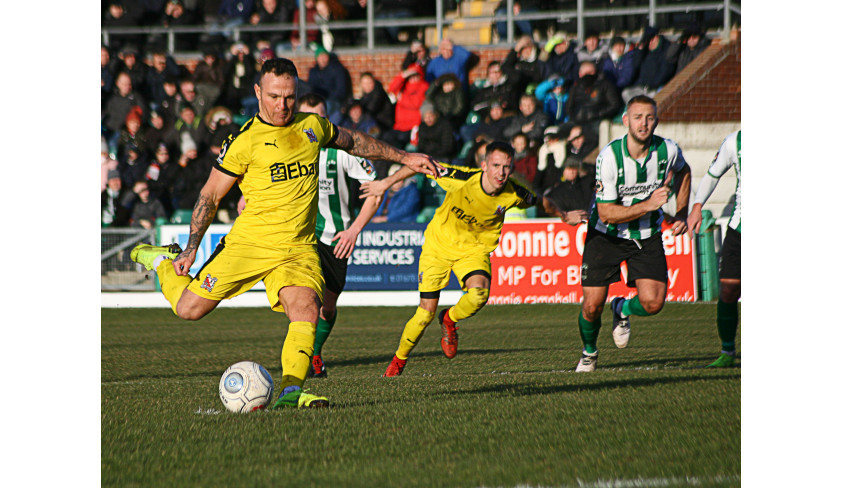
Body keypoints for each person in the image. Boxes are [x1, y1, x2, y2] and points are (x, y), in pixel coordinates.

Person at [129, 58, 441, 409]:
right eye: (275, 96)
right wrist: (189, 248)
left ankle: (292, 392)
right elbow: (210, 195)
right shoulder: (243, 141)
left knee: (306, 308)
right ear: (258, 92)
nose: (283, 105)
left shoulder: (312, 127)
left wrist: (405, 157)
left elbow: (353, 141)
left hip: (298, 248)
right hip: (250, 244)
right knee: (188, 309)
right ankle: (162, 262)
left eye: (290, 97)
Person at [235, 93, 384, 378]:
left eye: (321, 117)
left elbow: (375, 190)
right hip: (296, 237)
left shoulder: (341, 152)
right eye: (308, 117)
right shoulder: (281, 148)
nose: (314, 123)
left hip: (334, 239)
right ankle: (305, 358)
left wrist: (353, 231)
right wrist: (246, 198)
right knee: (305, 304)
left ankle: (314, 352)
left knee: (327, 308)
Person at [363, 141, 536, 376]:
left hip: (473, 250)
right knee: (424, 314)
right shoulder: (461, 178)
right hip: (439, 247)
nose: (501, 172)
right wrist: (384, 184)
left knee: (479, 295)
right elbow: (421, 164)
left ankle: (449, 318)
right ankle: (399, 360)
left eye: (506, 166)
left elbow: (540, 200)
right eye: (496, 165)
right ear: (484, 165)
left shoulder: (514, 192)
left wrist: (563, 213)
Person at [574, 95, 691, 373]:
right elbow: (606, 213)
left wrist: (684, 212)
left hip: (647, 235)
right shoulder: (610, 157)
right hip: (606, 236)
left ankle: (622, 309)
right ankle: (589, 352)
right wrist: (649, 204)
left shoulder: (668, 150)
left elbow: (684, 171)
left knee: (653, 303)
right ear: (626, 121)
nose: (644, 123)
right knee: (591, 306)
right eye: (638, 117)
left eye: (650, 117)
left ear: (657, 121)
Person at [686, 130, 741, 368]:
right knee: (728, 291)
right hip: (740, 228)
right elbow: (712, 174)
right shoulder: (735, 141)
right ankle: (727, 352)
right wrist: (697, 205)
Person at [565, 61, 623, 144]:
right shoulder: (575, 87)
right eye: (586, 73)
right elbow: (568, 107)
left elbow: (614, 105)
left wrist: (597, 113)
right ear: (580, 74)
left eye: (591, 72)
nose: (588, 75)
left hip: (598, 121)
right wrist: (576, 119)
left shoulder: (605, 85)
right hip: (578, 121)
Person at [622, 27, 676, 103]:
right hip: (642, 87)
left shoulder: (666, 50)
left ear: (656, 37)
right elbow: (635, 65)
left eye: (651, 40)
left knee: (653, 98)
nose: (649, 43)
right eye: (647, 41)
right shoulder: (645, 51)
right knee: (626, 93)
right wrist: (641, 49)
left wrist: (652, 86)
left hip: (656, 88)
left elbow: (665, 72)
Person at [540, 157, 594, 226]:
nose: (572, 172)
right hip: (566, 226)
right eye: (569, 169)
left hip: (586, 222)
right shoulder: (555, 191)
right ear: (563, 171)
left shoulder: (586, 184)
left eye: (574, 169)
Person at [307, 46, 351, 123]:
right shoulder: (313, 72)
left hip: (334, 101)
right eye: (320, 56)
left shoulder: (337, 69)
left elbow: (341, 90)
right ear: (317, 58)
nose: (323, 59)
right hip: (317, 100)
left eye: (325, 56)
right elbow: (311, 88)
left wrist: (325, 99)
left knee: (326, 106)